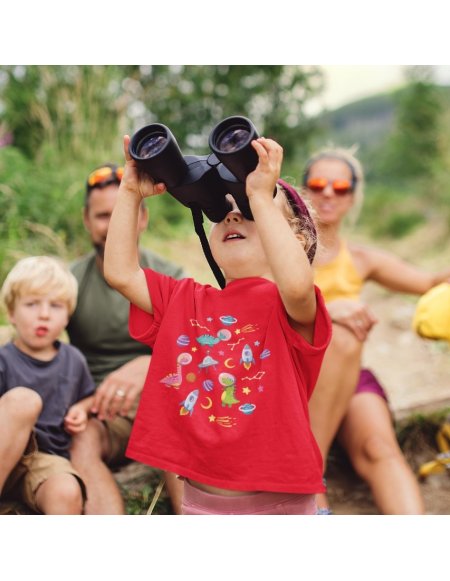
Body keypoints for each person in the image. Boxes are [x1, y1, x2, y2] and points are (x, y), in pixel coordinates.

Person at [103, 134, 332, 515]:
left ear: (296, 239)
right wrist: (130, 191)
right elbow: (121, 272)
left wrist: (260, 194)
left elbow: (296, 280)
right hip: (199, 502)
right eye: (220, 210)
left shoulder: (291, 306)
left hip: (280, 504)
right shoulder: (185, 300)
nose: (232, 214)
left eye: (247, 209)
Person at [301, 147, 450, 514]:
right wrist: (325, 311)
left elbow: (431, 281)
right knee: (346, 331)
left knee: (379, 448)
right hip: (289, 377)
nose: (329, 193)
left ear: (354, 196)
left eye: (341, 186)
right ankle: (308, 483)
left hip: (346, 377)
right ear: (302, 190)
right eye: (318, 184)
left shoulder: (362, 259)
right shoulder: (277, 250)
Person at [67, 163, 187, 515]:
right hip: (102, 412)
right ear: (88, 221)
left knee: (174, 414)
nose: (111, 225)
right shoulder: (69, 281)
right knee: (82, 438)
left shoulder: (170, 275)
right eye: (104, 216)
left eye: (123, 212)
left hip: (166, 399)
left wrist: (149, 363)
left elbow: (196, 347)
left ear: (143, 218)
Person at [0, 256, 95, 514]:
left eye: (55, 306)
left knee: (66, 491)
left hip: (44, 459)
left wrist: (82, 409)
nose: (44, 314)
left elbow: (88, 396)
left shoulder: (73, 360)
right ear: (11, 313)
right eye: (31, 304)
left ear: (67, 317)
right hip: (4, 449)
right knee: (22, 400)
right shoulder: (4, 359)